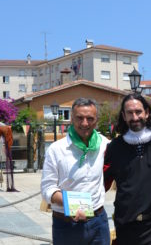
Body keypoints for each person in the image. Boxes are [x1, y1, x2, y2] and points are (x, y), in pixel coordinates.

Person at [104, 93, 151, 245]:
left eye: (138, 112)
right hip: (125, 226)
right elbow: (100, 182)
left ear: (147, 113)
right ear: (123, 115)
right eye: (130, 113)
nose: (135, 117)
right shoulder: (114, 147)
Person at [41, 98, 110, 245]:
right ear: (71, 119)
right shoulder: (56, 149)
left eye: (90, 118)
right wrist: (71, 205)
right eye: (79, 118)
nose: (85, 123)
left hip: (99, 223)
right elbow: (48, 189)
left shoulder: (105, 144)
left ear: (96, 120)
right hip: (66, 225)